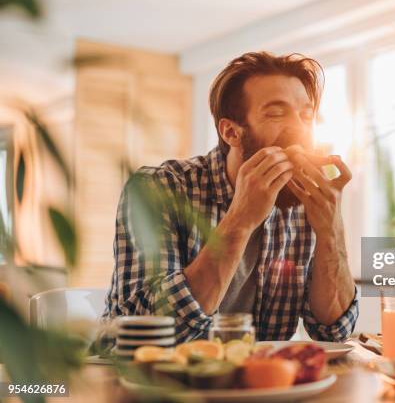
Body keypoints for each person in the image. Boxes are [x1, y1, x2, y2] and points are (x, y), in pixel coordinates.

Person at [102, 52, 358, 343]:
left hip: (258, 383)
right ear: (231, 132)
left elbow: (333, 330)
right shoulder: (157, 189)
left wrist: (331, 230)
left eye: (306, 115)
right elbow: (142, 332)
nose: (299, 128)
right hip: (147, 381)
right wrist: (240, 219)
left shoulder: (304, 202)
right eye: (276, 113)